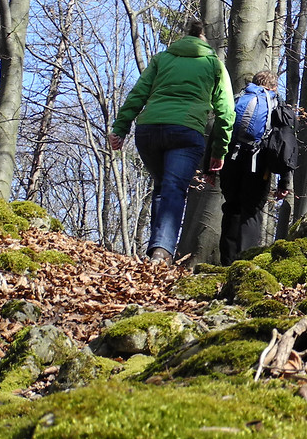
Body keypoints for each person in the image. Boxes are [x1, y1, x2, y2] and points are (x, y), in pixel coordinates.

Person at [109, 18, 234, 265]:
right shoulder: (214, 65)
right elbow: (227, 112)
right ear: (205, 40)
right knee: (174, 189)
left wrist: (120, 128)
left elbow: (138, 94)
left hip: (148, 131)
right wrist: (219, 151)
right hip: (186, 132)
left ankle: (156, 251)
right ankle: (162, 252)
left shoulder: (162, 59)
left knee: (163, 186)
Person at [219, 69, 291, 265]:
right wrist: (284, 182)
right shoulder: (277, 105)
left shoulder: (238, 98)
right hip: (258, 164)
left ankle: (226, 262)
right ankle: (245, 262)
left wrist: (211, 165)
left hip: (231, 159)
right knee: (251, 211)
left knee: (232, 206)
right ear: (274, 86)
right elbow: (285, 145)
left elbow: (221, 127)